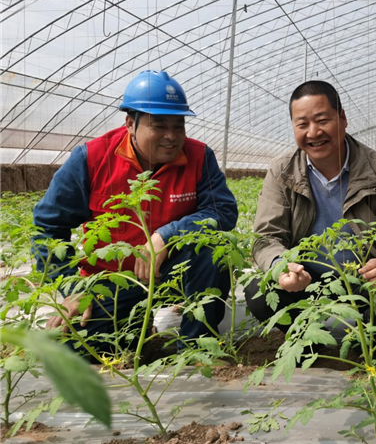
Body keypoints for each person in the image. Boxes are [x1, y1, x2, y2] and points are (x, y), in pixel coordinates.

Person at [34, 70, 238, 351]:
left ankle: (196, 348)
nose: (171, 136)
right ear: (130, 123)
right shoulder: (91, 158)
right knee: (81, 348)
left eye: (179, 126)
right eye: (159, 126)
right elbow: (47, 228)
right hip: (114, 282)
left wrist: (168, 234)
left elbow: (222, 210)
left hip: (176, 274)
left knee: (216, 248)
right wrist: (72, 289)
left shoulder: (200, 156)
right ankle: (136, 328)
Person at [246, 80, 376, 337]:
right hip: (306, 280)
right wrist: (281, 266)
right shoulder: (282, 171)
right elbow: (266, 237)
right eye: (302, 124)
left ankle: (365, 348)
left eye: (322, 120)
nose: (313, 132)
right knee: (259, 292)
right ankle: (309, 341)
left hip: (366, 278)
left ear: (342, 118)